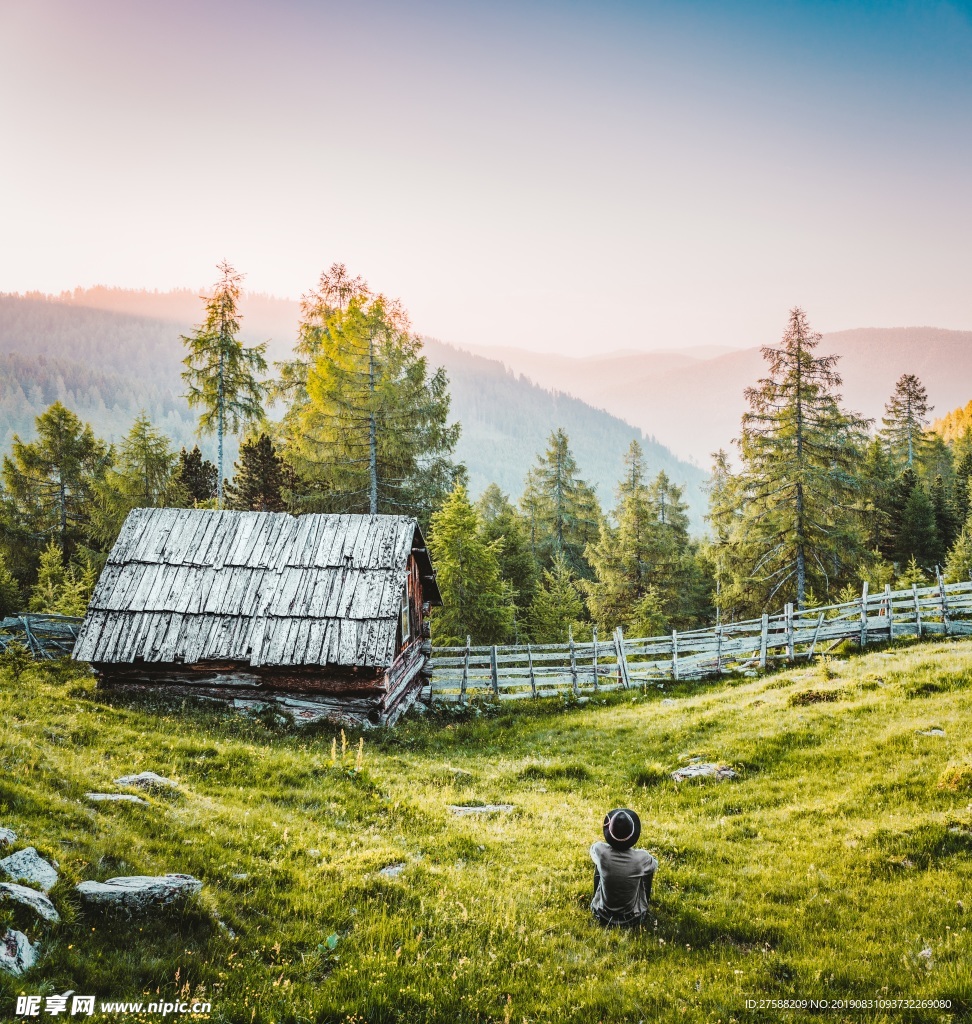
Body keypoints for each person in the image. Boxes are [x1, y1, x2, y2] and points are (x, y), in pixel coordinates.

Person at [590, 807, 657, 927]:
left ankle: (596, 899)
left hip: (602, 915)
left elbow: (594, 850)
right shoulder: (641, 858)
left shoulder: (600, 851)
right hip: (633, 919)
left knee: (598, 863)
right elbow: (654, 865)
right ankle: (645, 905)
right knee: (647, 871)